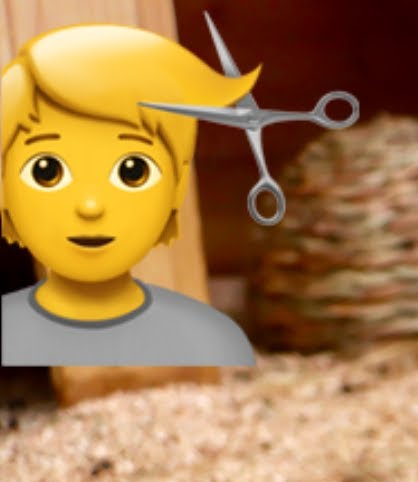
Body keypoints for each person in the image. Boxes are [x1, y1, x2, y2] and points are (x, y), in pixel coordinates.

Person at [1, 23, 259, 366]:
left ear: (177, 188)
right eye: (46, 171)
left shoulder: (211, 339)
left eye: (132, 171)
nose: (90, 206)